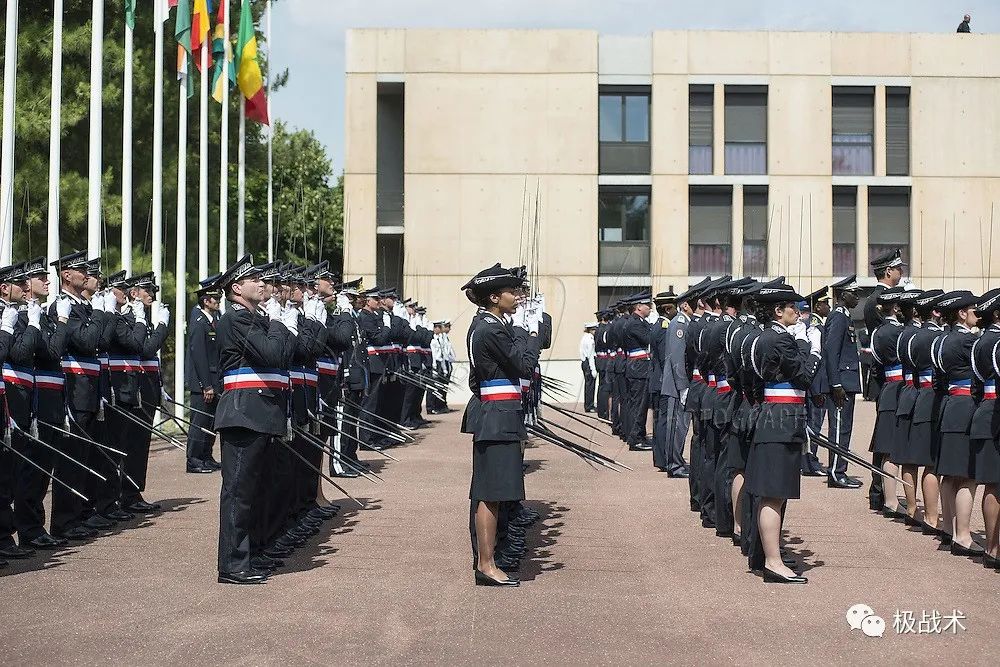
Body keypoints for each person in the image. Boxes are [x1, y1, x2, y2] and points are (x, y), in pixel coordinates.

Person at [214, 255, 298, 585]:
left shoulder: (255, 319)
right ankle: (232, 565)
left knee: (259, 490)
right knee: (238, 492)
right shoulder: (236, 320)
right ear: (236, 288)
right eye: (254, 280)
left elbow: (288, 350)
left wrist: (278, 325)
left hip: (261, 412)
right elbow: (275, 353)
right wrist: (279, 323)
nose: (262, 284)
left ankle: (253, 552)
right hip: (243, 412)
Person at [461, 264, 541, 587]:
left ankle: (487, 561)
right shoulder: (490, 329)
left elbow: (474, 380)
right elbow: (523, 363)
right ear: (495, 297)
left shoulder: (484, 324)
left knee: (490, 493)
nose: (516, 297)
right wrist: (530, 333)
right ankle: (486, 564)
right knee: (490, 494)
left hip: (496, 413)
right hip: (498, 417)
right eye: (511, 292)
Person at [746, 282, 822, 584]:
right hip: (782, 418)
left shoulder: (760, 338)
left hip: (770, 414)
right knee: (774, 494)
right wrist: (810, 348)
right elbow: (804, 377)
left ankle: (766, 556)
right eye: (793, 307)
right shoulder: (781, 340)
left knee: (771, 493)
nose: (798, 313)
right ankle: (773, 563)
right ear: (778, 310)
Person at [932, 291, 983, 558]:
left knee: (949, 475)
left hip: (950, 406)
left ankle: (950, 530)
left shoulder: (943, 340)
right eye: (975, 310)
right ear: (961, 313)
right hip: (966, 407)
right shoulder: (968, 342)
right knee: (967, 476)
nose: (979, 314)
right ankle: (963, 536)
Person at [824, 275, 863, 489]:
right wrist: (836, 384)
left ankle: (840, 470)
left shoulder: (845, 316)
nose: (857, 297)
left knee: (844, 428)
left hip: (846, 382)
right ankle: (836, 473)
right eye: (853, 293)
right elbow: (831, 351)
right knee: (839, 429)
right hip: (841, 383)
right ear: (841, 295)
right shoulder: (838, 317)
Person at [970, 289, 1000, 568]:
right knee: (995, 485)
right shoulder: (996, 342)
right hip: (995, 414)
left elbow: (976, 385)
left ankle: (992, 548)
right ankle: (993, 548)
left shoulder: (981, 341)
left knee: (992, 484)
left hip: (986, 411)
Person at [184, 278, 223, 473]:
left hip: (214, 379)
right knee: (199, 422)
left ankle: (206, 456)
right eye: (215, 298)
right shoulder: (199, 322)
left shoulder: (213, 320)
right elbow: (199, 355)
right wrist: (206, 385)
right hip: (204, 382)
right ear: (206, 301)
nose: (219, 301)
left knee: (210, 421)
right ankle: (194, 459)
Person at [802, 288, 830, 476]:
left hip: (816, 385)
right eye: (826, 303)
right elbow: (815, 360)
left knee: (813, 425)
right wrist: (816, 389)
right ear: (818, 306)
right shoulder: (815, 327)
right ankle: (809, 462)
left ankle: (809, 460)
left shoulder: (817, 325)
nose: (829, 307)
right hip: (816, 386)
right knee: (814, 426)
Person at [579, 322, 597, 412]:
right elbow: (590, 355)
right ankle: (589, 406)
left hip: (584, 362)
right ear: (590, 330)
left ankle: (588, 405)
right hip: (588, 363)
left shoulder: (584, 337)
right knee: (590, 385)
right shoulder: (590, 339)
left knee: (588, 384)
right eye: (594, 329)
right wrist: (593, 369)